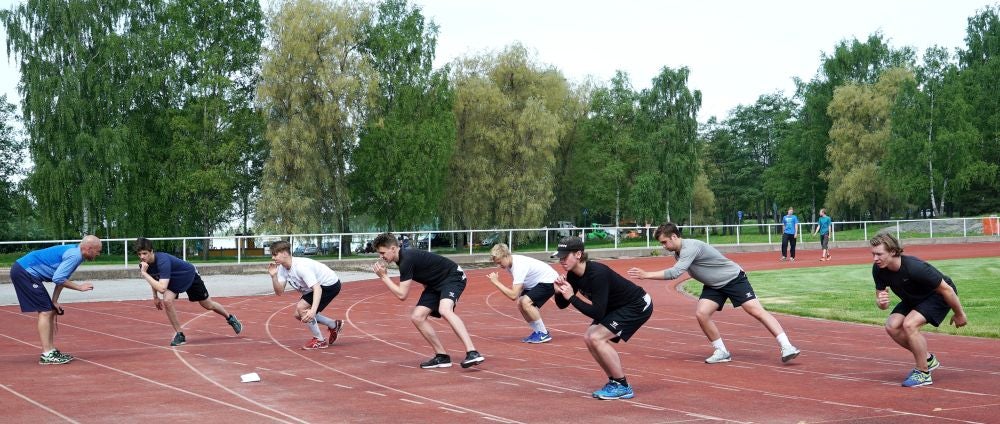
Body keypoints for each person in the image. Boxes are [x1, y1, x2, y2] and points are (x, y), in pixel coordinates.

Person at [628, 223, 800, 364]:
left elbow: (675, 273)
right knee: (702, 313)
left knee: (755, 311)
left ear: (674, 236)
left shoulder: (690, 247)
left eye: (664, 242)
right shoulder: (678, 252)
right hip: (714, 285)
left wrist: (646, 275)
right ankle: (721, 351)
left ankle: (787, 346)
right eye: (662, 244)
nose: (664, 247)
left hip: (733, 278)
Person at [551, 236, 652, 400]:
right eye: (559, 257)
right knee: (589, 337)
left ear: (578, 254)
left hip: (637, 305)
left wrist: (571, 297)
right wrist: (558, 292)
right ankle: (614, 382)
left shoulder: (597, 273)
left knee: (596, 337)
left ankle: (623, 385)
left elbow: (597, 312)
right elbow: (562, 305)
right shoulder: (573, 275)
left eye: (565, 256)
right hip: (615, 307)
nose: (561, 260)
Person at [371, 232, 484, 369]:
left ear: (393, 249)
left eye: (382, 253)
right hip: (435, 284)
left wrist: (383, 277)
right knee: (417, 317)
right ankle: (442, 356)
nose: (381, 257)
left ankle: (472, 352)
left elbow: (402, 295)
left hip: (452, 276)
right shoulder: (403, 260)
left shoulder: (406, 260)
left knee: (444, 310)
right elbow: (426, 272)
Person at [870, 232, 967, 387]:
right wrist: (881, 302)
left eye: (879, 254)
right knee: (892, 325)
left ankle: (923, 372)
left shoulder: (915, 268)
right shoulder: (878, 270)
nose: (875, 259)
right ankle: (928, 359)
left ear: (893, 251)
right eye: (873, 254)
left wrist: (959, 314)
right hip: (914, 297)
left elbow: (947, 290)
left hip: (937, 296)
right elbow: (883, 304)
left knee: (909, 325)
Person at [10, 235, 102, 364]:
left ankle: (51, 350)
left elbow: (61, 279)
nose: (98, 254)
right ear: (88, 248)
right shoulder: (75, 256)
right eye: (97, 251)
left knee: (51, 310)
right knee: (45, 311)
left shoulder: (77, 254)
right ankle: (47, 353)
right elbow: (58, 278)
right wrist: (79, 287)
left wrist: (55, 301)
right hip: (24, 271)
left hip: (25, 271)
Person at [135, 237, 242, 346]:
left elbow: (162, 288)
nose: (142, 257)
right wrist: (155, 296)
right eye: (139, 254)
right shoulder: (146, 265)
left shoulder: (163, 261)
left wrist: (144, 274)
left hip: (189, 275)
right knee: (167, 301)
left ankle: (230, 318)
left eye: (145, 253)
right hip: (172, 281)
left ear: (152, 251)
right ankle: (180, 334)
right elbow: (154, 278)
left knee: (207, 304)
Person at [267, 240, 344, 350]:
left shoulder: (300, 267)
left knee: (302, 308)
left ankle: (320, 340)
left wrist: (313, 310)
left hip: (329, 284)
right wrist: (274, 276)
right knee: (298, 315)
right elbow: (279, 292)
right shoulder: (282, 268)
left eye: (275, 254)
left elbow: (317, 289)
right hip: (317, 287)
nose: (273, 258)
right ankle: (334, 325)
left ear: (284, 253)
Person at [486, 243, 557, 343]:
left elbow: (513, 295)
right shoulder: (509, 265)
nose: (498, 265)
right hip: (536, 283)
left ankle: (543, 333)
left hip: (548, 281)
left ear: (506, 256)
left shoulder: (518, 265)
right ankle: (538, 332)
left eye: (500, 262)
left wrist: (496, 282)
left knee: (525, 302)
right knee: (520, 303)